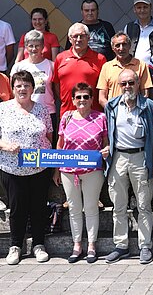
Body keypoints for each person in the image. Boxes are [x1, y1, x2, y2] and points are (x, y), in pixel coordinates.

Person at [104, 70, 153, 265]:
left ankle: (145, 245)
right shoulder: (111, 106)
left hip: (141, 157)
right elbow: (107, 132)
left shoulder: (149, 106)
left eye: (131, 83)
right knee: (118, 205)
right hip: (118, 157)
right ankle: (121, 245)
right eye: (123, 83)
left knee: (143, 204)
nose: (127, 87)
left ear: (138, 83)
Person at [53, 83, 109, 264]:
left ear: (92, 99)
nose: (82, 100)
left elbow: (106, 143)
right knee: (74, 208)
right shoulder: (66, 117)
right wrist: (56, 169)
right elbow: (60, 145)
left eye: (86, 96)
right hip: (68, 172)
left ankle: (91, 245)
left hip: (93, 171)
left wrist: (106, 150)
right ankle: (77, 245)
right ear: (73, 100)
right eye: (78, 97)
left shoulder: (100, 117)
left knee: (91, 207)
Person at [0, 71, 52, 265]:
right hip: (12, 168)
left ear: (32, 88)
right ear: (13, 88)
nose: (22, 89)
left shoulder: (42, 110)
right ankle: (16, 246)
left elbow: (49, 136)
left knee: (39, 207)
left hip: (39, 169)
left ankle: (38, 245)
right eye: (19, 85)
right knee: (17, 209)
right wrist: (5, 146)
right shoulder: (3, 109)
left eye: (26, 85)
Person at [11, 30, 57, 143]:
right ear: (26, 47)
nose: (34, 49)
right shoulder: (18, 67)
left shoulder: (51, 65)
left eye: (37, 46)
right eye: (31, 46)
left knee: (48, 144)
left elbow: (56, 89)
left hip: (47, 111)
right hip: (23, 111)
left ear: (43, 47)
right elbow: (12, 91)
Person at [52, 23, 107, 117]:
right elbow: (56, 84)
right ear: (70, 39)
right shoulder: (60, 58)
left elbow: (104, 87)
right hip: (67, 113)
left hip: (93, 114)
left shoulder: (100, 59)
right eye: (75, 36)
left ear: (88, 38)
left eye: (82, 36)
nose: (78, 39)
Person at [97, 32, 153, 107]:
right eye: (117, 45)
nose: (121, 48)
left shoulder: (141, 65)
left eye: (124, 44)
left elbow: (145, 94)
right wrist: (111, 110)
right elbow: (102, 98)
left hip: (136, 111)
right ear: (113, 48)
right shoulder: (106, 67)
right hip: (114, 111)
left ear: (129, 46)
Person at [125, 0, 153, 66]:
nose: (142, 10)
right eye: (139, 8)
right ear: (134, 9)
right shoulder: (128, 27)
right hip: (133, 69)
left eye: (145, 7)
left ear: (151, 8)